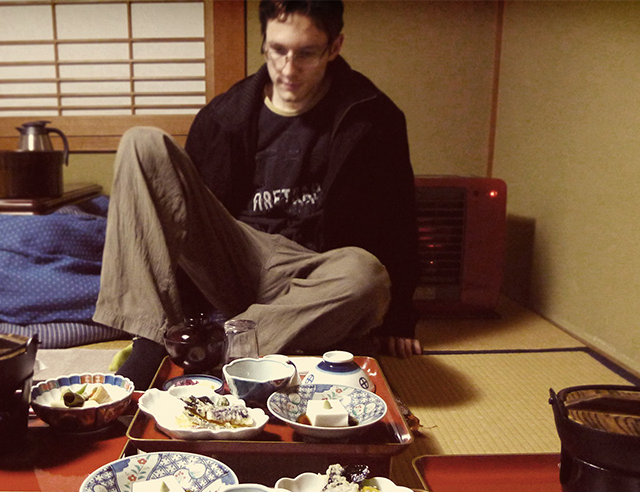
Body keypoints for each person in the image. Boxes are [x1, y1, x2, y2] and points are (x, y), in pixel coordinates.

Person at [95, 0, 421, 388]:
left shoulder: (373, 117)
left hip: (316, 271)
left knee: (365, 276)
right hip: (239, 254)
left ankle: (215, 351)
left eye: (306, 53)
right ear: (264, 42)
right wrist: (180, 310)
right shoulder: (223, 115)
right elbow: (182, 221)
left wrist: (400, 316)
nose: (288, 69)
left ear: (334, 47)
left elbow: (400, 218)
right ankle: (152, 343)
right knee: (141, 142)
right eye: (277, 50)